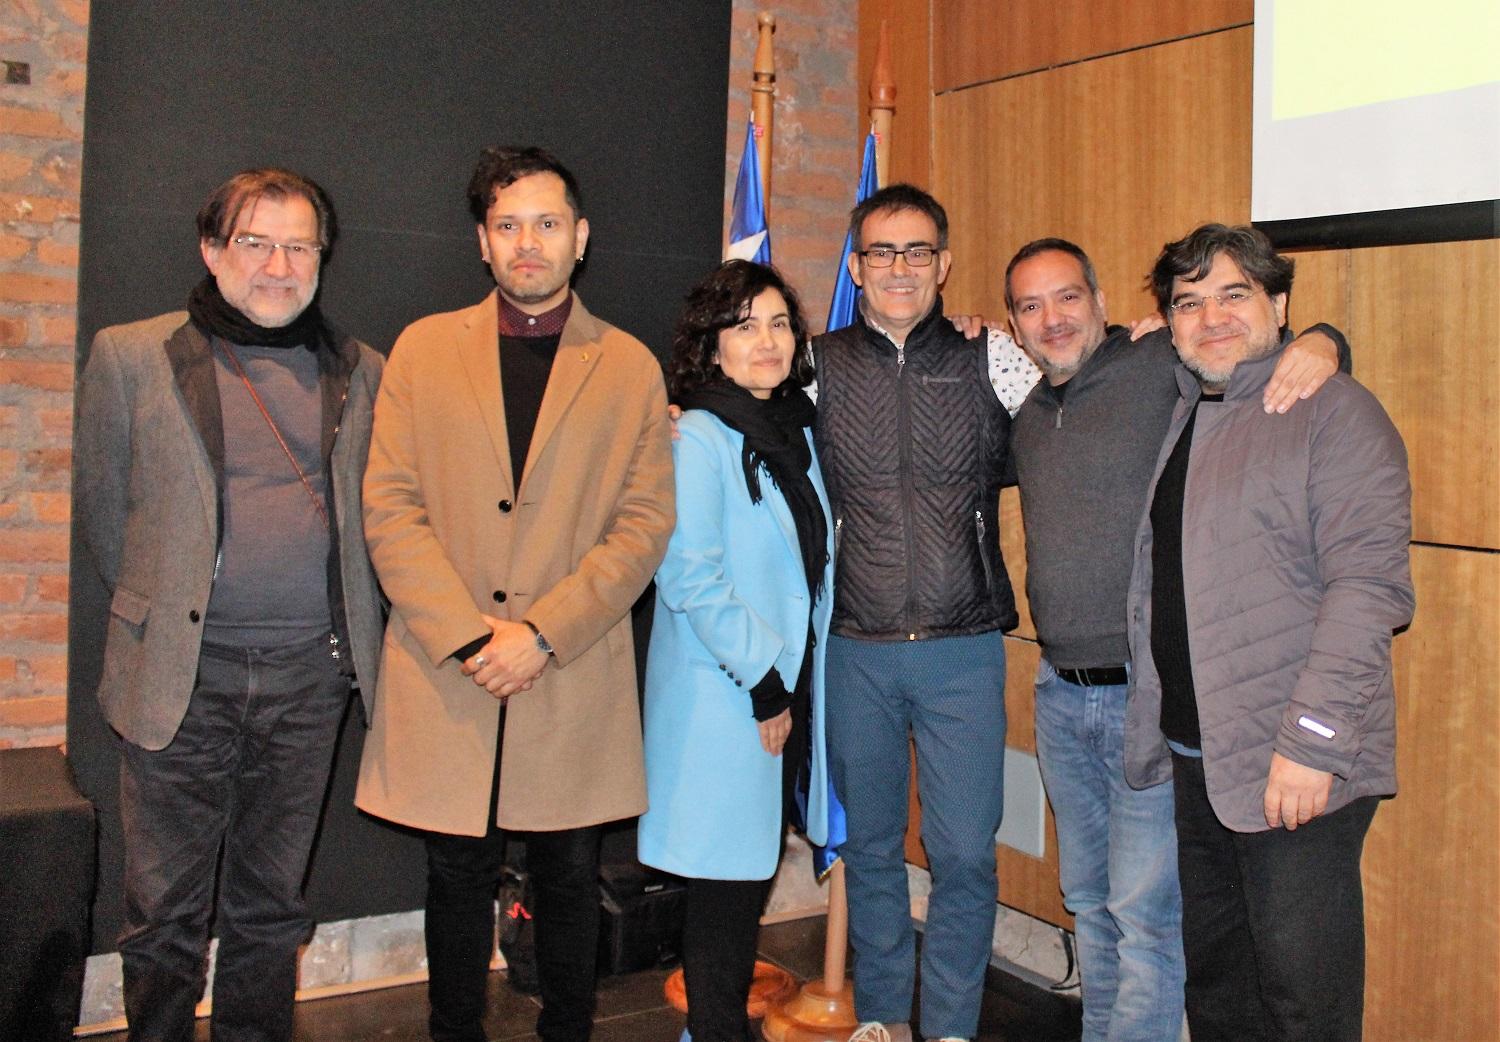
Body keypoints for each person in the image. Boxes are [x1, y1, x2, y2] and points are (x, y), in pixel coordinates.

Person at [354, 146, 674, 1042]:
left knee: (570, 876)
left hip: (567, 668)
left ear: (581, 237)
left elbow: (643, 525)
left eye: (545, 224)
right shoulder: (423, 349)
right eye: (506, 226)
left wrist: (541, 632)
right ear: (481, 244)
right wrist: (467, 636)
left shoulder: (629, 367)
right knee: (454, 876)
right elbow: (389, 504)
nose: (526, 244)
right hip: (450, 672)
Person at [1003, 238, 1346, 1042]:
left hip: (1145, 693)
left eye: (1067, 297)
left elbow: (1252, 343)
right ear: (1015, 326)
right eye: (1030, 305)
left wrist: (1326, 340)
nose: (1052, 318)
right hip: (1059, 692)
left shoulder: (1161, 365)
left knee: (1148, 918)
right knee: (1088, 900)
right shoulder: (1025, 415)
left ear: (1103, 303)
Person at [74, 168, 385, 1042]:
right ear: (212, 251)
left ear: (322, 259)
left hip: (308, 681)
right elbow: (107, 512)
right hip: (179, 681)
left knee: (269, 909)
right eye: (255, 241)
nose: (278, 265)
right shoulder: (132, 356)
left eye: (299, 245)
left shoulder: (365, 373)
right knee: (163, 912)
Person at [1124, 224, 1413, 1042]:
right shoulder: (1193, 411)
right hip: (1198, 761)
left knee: (1303, 1006)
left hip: (1293, 768)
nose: (1210, 317)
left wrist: (1312, 745)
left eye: (1233, 294)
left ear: (1279, 305)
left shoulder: (1336, 413)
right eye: (1188, 303)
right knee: (1220, 995)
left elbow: (1369, 592)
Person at [810, 184, 1014, 1042]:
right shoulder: (813, 364)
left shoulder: (991, 357)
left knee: (966, 855)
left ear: (945, 264)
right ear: (857, 268)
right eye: (883, 253)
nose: (901, 268)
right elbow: (733, 412)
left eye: (918, 251)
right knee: (873, 851)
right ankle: (886, 1020)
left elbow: (1090, 392)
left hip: (963, 648)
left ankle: (955, 1027)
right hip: (855, 645)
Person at [638, 260, 834, 1042]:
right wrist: (764, 683)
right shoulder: (700, 437)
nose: (767, 340)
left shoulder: (793, 435)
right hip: (732, 698)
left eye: (780, 323)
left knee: (742, 882)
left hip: (786, 689)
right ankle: (717, 1031)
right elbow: (689, 574)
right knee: (723, 892)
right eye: (745, 325)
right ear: (710, 345)